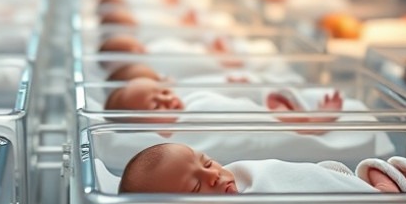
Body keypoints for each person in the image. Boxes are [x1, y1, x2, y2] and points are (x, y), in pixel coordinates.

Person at [118, 143, 406, 204]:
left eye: (207, 162)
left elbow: (310, 175)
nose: (212, 175)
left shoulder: (248, 177)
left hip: (354, 183)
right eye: (196, 188)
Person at [103, 77, 343, 125]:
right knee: (280, 123)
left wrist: (235, 88)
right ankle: (315, 122)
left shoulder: (191, 101)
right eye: (155, 106)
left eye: (163, 92)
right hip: (265, 122)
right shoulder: (176, 130)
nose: (167, 100)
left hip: (257, 109)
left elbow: (227, 102)